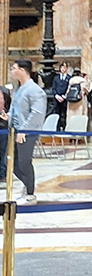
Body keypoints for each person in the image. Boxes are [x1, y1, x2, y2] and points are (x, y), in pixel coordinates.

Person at [8, 61, 46, 204]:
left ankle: (30, 193)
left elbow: (37, 112)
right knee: (12, 162)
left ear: (23, 70)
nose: (12, 71)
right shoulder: (19, 88)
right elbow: (15, 108)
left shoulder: (35, 90)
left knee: (24, 162)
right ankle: (27, 184)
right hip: (15, 130)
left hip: (27, 132)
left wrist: (24, 129)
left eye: (14, 68)